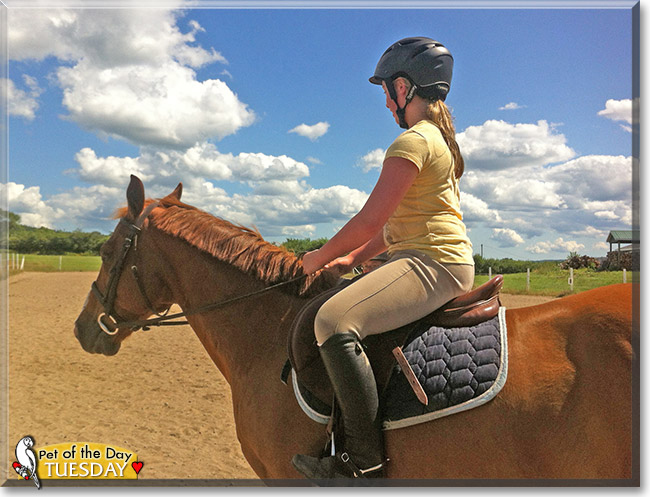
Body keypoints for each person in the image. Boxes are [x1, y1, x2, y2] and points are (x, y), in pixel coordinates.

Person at [291, 37, 475, 480]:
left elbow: (369, 220)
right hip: (428, 256)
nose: (387, 103)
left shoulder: (413, 142)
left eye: (387, 92)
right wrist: (351, 260)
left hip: (433, 262)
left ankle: (362, 461)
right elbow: (392, 228)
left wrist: (317, 257)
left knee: (332, 322)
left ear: (403, 88)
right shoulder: (437, 139)